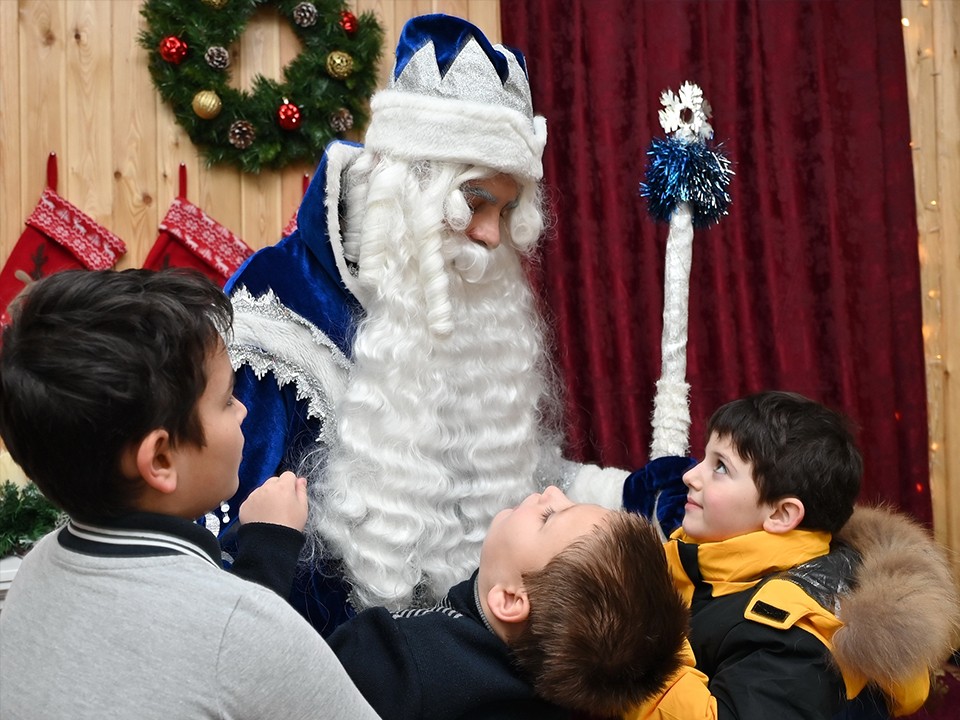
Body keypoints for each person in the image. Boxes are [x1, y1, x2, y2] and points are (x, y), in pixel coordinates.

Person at [222, 12, 669, 634]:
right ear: (410, 187)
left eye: (506, 209)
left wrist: (636, 495)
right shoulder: (279, 312)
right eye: (475, 202)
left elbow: (510, 483)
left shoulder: (470, 293)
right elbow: (233, 540)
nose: (491, 236)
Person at [0, 269, 381, 720]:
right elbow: (223, 643)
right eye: (226, 399)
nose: (243, 410)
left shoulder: (37, 565)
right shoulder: (243, 627)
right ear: (160, 459)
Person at [626, 391, 960, 720]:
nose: (689, 475)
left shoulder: (794, 640)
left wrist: (639, 630)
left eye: (721, 468)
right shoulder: (710, 556)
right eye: (705, 457)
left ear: (782, 515)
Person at [326, 486, 688, 720]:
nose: (552, 491)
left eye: (550, 517)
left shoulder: (402, 658)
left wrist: (271, 541)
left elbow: (284, 681)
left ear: (511, 600)